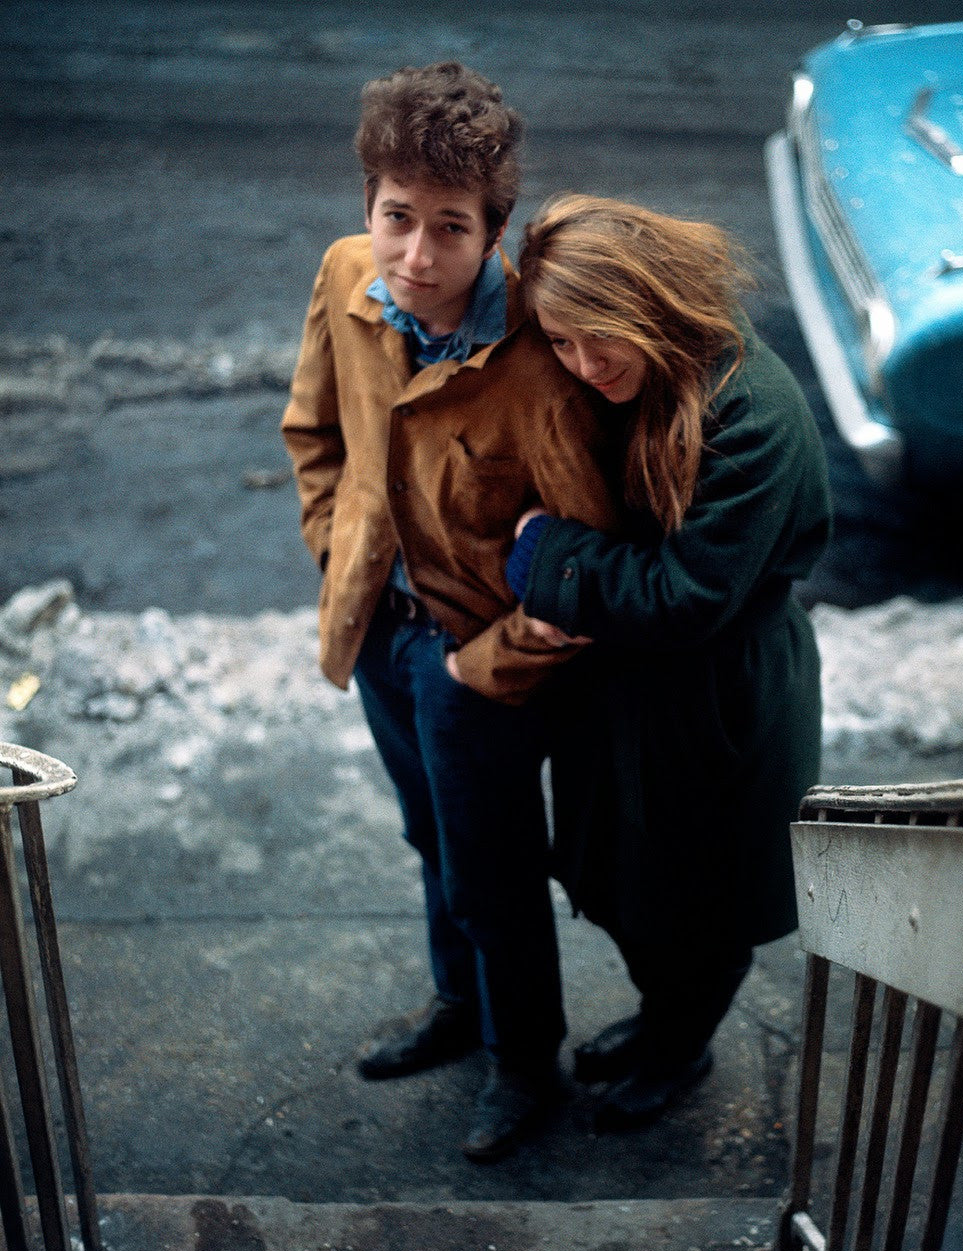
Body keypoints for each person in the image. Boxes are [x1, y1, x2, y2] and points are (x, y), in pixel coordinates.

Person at [280, 65, 617, 1162]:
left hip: (477, 664)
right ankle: (458, 1005)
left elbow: (582, 565)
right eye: (395, 219)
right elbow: (312, 432)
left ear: (495, 232)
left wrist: (487, 662)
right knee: (427, 832)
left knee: (492, 863)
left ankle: (525, 1060)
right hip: (380, 627)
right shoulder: (343, 278)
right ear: (367, 208)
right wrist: (340, 548)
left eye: (449, 229)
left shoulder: (537, 362)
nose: (415, 257)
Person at [506, 193, 833, 1130]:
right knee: (626, 884)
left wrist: (539, 555)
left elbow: (681, 597)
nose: (583, 365)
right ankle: (661, 1022)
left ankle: (679, 1049)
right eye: (561, 344)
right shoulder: (640, 375)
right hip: (633, 694)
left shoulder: (751, 415)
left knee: (700, 903)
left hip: (719, 700)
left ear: (645, 300)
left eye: (595, 337)